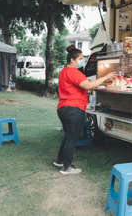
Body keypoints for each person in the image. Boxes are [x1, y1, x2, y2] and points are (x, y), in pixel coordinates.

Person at [54, 45, 116, 175]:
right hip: (73, 109)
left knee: (68, 136)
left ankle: (60, 160)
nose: (82, 61)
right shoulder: (74, 72)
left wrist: (99, 82)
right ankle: (67, 167)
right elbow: (87, 85)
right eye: (81, 58)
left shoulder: (64, 71)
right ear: (72, 60)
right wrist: (105, 77)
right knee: (72, 138)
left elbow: (83, 85)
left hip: (63, 108)